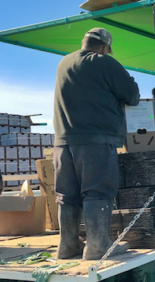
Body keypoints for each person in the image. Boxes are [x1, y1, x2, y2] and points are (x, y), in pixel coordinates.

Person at [54, 28, 140, 260]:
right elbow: (132, 95)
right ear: (105, 47)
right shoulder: (104, 62)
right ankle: (97, 245)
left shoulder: (64, 62)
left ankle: (67, 246)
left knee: (67, 194)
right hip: (95, 141)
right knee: (98, 191)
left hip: (63, 142)